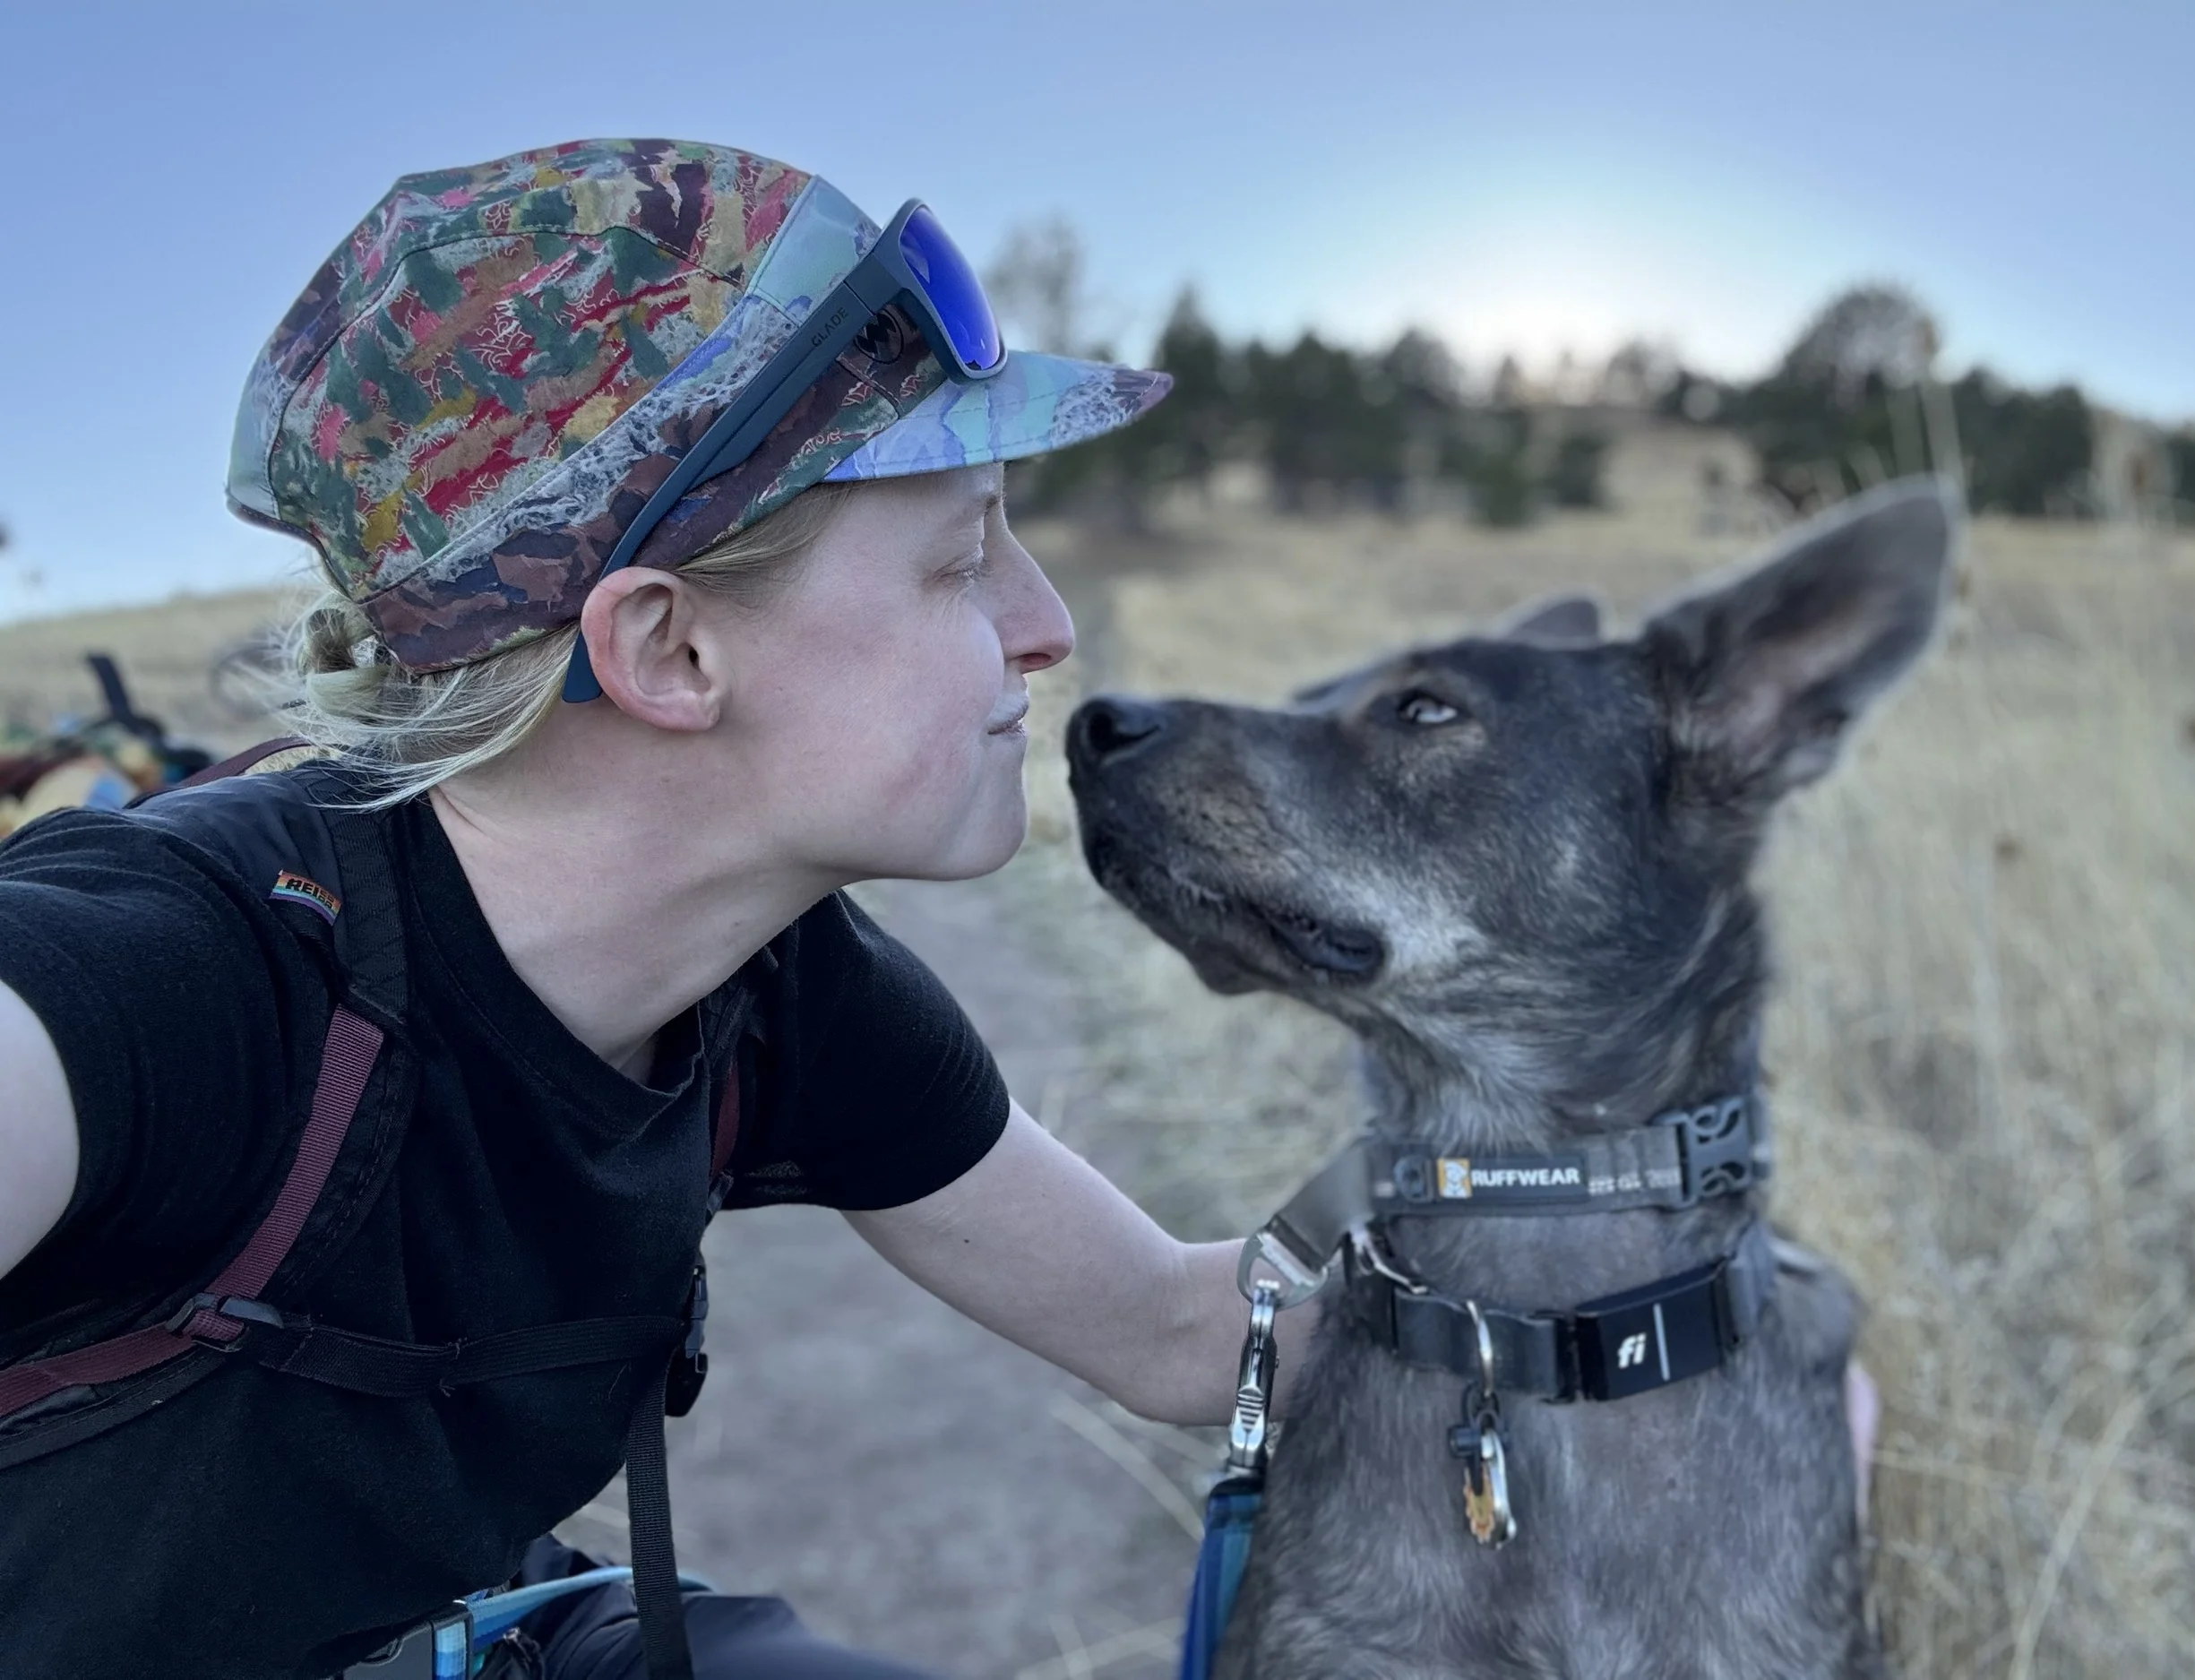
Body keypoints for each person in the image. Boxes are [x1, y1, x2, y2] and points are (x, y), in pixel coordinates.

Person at [0, 138, 1275, 1680]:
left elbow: (1180, 1331)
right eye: (960, 559)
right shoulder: (167, 982)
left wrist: (1582, 1161)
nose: (1046, 627)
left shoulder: (772, 983)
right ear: (667, 649)